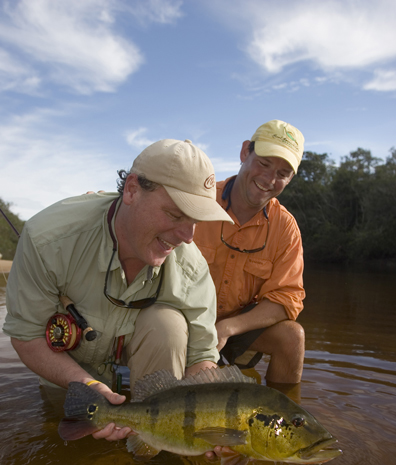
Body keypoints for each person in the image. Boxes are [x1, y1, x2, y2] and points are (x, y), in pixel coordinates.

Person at [3, 139, 233, 441]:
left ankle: (153, 444)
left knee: (170, 325)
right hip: (69, 375)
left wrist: (209, 425)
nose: (187, 237)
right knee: (63, 441)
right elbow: (27, 335)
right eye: (176, 215)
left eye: (196, 221)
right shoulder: (47, 239)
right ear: (132, 190)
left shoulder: (192, 267)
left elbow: (201, 356)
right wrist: (86, 386)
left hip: (157, 393)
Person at [193, 120, 306, 389]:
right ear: (245, 152)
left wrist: (230, 327)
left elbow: (286, 299)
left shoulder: (286, 227)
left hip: (234, 329)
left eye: (283, 172)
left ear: (291, 178)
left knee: (293, 337)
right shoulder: (198, 200)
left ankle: (285, 418)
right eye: (264, 163)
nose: (269, 179)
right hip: (183, 321)